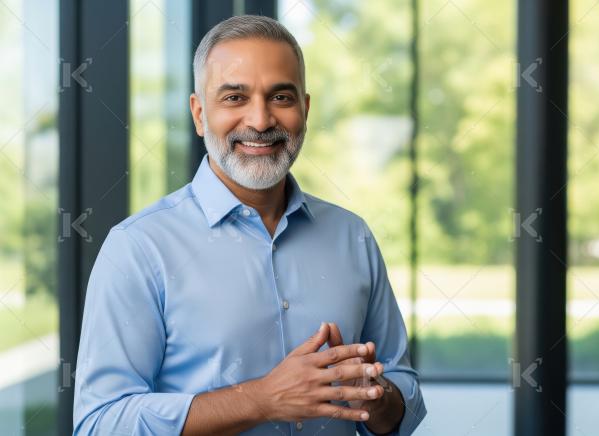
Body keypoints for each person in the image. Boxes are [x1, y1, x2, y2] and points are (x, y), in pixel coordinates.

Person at [73, 15, 425, 435]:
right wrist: (262, 399)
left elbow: (404, 392)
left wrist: (374, 393)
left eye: (280, 96)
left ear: (305, 110)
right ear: (200, 114)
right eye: (235, 98)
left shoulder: (353, 235)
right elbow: (100, 423)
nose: (260, 121)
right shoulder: (138, 248)